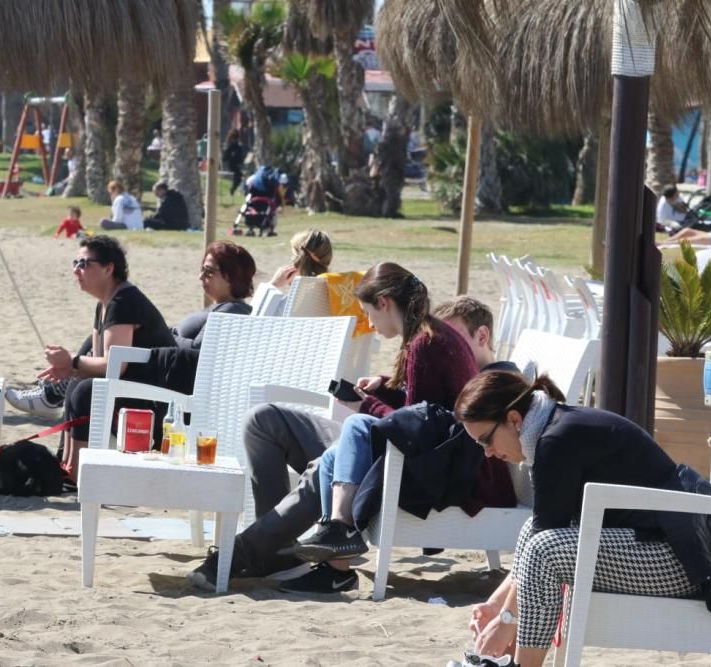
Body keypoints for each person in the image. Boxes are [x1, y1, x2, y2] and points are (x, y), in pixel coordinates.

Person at [186, 293, 511, 594]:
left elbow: (422, 434)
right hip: (372, 439)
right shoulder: (445, 357)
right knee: (262, 420)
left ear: (481, 336)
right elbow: (415, 410)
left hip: (395, 457)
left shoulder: (491, 383)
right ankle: (279, 552)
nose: (448, 346)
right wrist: (384, 387)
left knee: (330, 461)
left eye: (452, 337)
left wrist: (367, 406)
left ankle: (249, 550)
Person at [452, 371, 711, 667]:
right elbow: (540, 531)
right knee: (533, 535)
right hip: (669, 544)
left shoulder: (556, 441)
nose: (487, 453)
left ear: (514, 420)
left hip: (682, 562)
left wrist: (506, 620)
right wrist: (496, 605)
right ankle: (506, 660)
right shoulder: (554, 426)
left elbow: (543, 547)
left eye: (487, 440)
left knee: (545, 552)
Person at [291, 265, 484, 567]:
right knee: (333, 457)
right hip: (453, 454)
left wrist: (366, 406)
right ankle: (336, 565)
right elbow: (423, 408)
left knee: (356, 423)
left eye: (369, 312)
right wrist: (385, 388)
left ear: (384, 302)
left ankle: (341, 528)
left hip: (453, 469)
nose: (369, 323)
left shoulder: (425, 343)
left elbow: (416, 430)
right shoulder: (429, 333)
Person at [8, 236, 174, 480]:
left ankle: (78, 474)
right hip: (136, 386)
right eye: (75, 262)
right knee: (78, 384)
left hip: (160, 401)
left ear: (108, 268)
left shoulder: (124, 301)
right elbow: (98, 364)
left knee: (85, 391)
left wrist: (73, 361)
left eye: (85, 263)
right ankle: (66, 466)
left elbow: (114, 365)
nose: (77, 270)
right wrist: (71, 370)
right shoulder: (105, 303)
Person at [170, 241, 255, 350]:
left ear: (231, 277)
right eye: (202, 269)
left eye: (209, 271)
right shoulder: (224, 306)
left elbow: (198, 349)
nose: (200, 276)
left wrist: (164, 336)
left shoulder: (232, 310)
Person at [268, 229, 333, 293]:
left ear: (299, 259)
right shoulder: (337, 289)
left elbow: (259, 303)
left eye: (293, 254)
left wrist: (273, 284)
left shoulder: (295, 299)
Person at [222, 129, 246, 196]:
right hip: (230, 165)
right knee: (239, 176)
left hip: (235, 165)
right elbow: (225, 157)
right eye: (235, 139)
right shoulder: (229, 145)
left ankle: (236, 190)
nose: (236, 140)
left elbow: (239, 156)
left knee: (240, 176)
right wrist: (232, 156)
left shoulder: (237, 146)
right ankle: (233, 190)